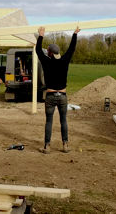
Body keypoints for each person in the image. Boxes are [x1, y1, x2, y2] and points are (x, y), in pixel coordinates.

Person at [35, 26, 80, 154]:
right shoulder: (65, 61)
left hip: (50, 96)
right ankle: (65, 145)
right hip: (63, 96)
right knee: (63, 120)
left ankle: (47, 147)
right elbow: (72, 48)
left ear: (49, 52)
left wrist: (41, 35)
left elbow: (38, 50)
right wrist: (75, 34)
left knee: (49, 121)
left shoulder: (46, 61)